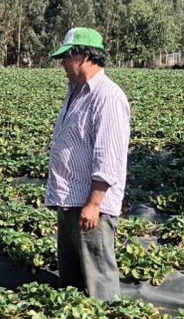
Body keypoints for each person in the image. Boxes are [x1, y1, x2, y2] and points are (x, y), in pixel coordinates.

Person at [44, 27, 131, 302]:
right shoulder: (76, 91)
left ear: (84, 56)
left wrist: (93, 204)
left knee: (98, 281)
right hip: (69, 201)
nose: (62, 63)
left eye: (66, 57)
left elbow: (109, 157)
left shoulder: (107, 97)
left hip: (90, 207)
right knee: (71, 280)